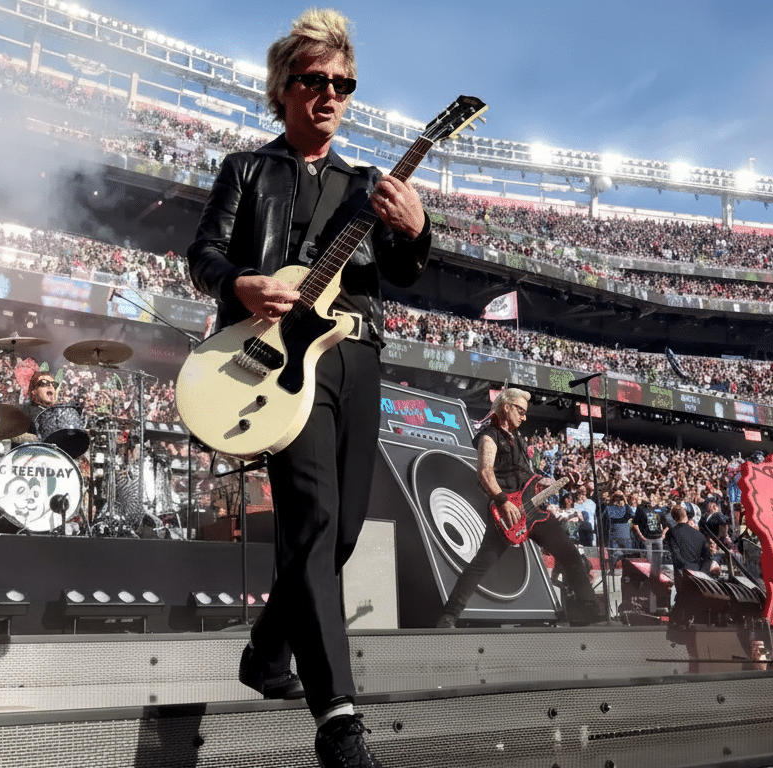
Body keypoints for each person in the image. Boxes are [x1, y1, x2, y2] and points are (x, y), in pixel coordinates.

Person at [185, 10, 430, 767]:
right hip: (279, 357)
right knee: (315, 520)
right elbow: (202, 255)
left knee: (343, 531)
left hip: (355, 356)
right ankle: (339, 720)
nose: (330, 95)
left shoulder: (366, 184)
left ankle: (265, 650)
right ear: (284, 88)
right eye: (316, 81)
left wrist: (416, 228)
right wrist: (242, 285)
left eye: (343, 85)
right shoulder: (246, 170)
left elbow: (404, 270)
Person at [435, 389, 602, 629]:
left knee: (571, 555)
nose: (524, 418)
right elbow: (484, 472)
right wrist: (503, 501)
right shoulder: (489, 437)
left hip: (533, 511)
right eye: (521, 412)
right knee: (482, 562)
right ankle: (449, 615)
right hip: (506, 511)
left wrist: (562, 481)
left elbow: (530, 479)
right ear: (506, 407)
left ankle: (588, 613)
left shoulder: (519, 440)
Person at [665, 505, 712, 574]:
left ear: (674, 518)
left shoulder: (671, 533)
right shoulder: (700, 535)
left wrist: (687, 566)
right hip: (698, 571)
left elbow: (675, 554)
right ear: (686, 516)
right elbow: (706, 556)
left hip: (681, 572)